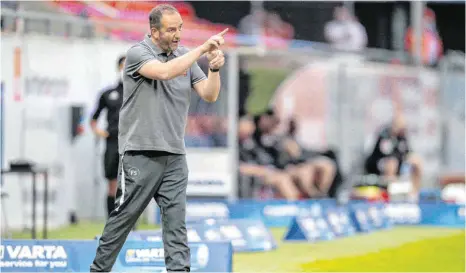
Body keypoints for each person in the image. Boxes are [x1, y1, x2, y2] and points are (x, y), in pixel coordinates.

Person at [90, 4, 227, 272]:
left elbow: (209, 95)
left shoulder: (185, 57)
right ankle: (99, 270)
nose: (178, 35)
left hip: (175, 155)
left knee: (176, 224)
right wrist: (202, 50)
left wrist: (214, 69)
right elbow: (165, 72)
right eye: (171, 29)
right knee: (122, 220)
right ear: (154, 32)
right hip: (140, 154)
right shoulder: (138, 53)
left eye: (180, 29)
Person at [90, 55, 125, 218]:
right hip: (112, 143)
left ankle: (129, 222)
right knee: (112, 184)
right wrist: (102, 133)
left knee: (131, 185)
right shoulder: (108, 93)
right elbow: (93, 119)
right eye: (124, 66)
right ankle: (111, 221)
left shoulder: (140, 94)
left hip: (132, 143)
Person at [364, 114, 423, 198]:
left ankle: (414, 194)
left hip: (398, 162)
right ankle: (390, 195)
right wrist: (402, 159)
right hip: (378, 164)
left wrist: (410, 159)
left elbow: (407, 152)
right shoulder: (385, 135)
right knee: (392, 163)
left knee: (416, 161)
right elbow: (388, 154)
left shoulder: (402, 137)